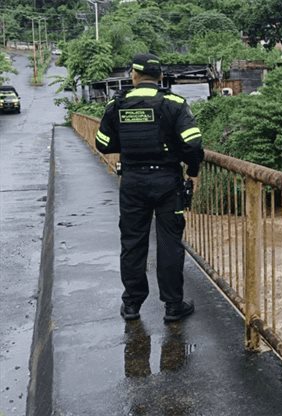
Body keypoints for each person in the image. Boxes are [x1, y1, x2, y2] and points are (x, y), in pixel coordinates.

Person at [96, 53, 204, 322]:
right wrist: (192, 171)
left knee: (132, 242)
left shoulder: (116, 104)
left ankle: (132, 305)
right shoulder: (174, 103)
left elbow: (102, 143)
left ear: (134, 75)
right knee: (169, 243)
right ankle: (172, 306)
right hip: (167, 182)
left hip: (132, 181)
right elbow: (192, 143)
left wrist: (129, 144)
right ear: (159, 77)